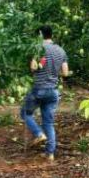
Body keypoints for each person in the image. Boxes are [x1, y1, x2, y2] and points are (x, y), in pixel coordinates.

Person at [22, 25, 69, 161]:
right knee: (48, 122)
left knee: (25, 113)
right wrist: (53, 73)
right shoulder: (61, 50)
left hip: (39, 89)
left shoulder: (38, 49)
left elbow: (33, 68)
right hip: (53, 91)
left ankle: (38, 133)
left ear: (40, 35)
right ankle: (50, 154)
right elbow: (65, 73)